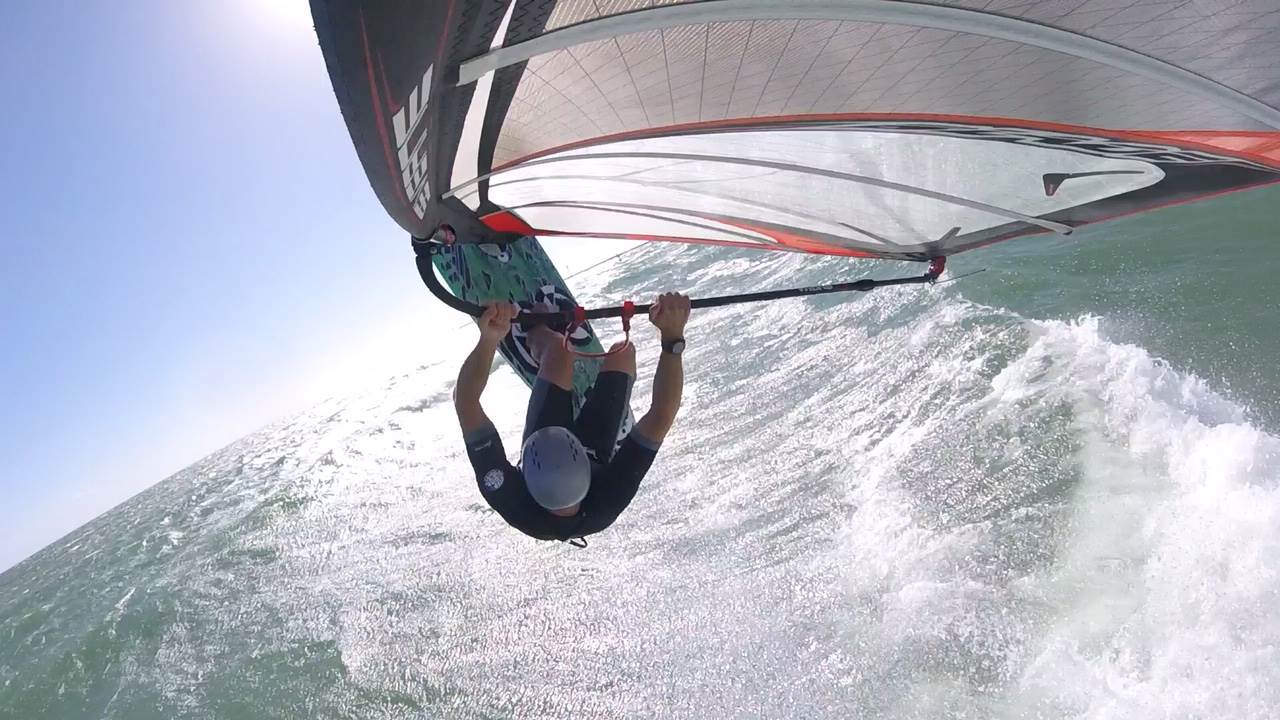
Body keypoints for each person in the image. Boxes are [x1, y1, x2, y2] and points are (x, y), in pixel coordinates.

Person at [453, 293, 691, 543]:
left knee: (558, 350)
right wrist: (672, 339)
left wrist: (490, 338)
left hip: (554, 444)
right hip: (597, 452)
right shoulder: (610, 497)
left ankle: (537, 331)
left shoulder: (509, 497)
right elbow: (663, 413)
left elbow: (465, 401)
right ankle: (613, 431)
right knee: (624, 351)